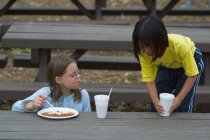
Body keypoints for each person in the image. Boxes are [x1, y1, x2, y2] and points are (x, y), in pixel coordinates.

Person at [132, 16, 204, 116]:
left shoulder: (180, 47)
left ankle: (183, 128)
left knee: (182, 105)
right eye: (141, 47)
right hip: (167, 65)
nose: (145, 51)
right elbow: (149, 80)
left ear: (160, 41)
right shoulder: (144, 54)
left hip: (190, 62)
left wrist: (179, 98)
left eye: (148, 46)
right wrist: (155, 101)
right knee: (158, 101)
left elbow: (192, 75)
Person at [12, 55, 91, 112]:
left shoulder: (83, 94)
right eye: (73, 75)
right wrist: (32, 105)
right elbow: (15, 107)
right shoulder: (45, 93)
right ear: (58, 80)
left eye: (78, 72)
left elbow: (86, 120)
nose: (78, 76)